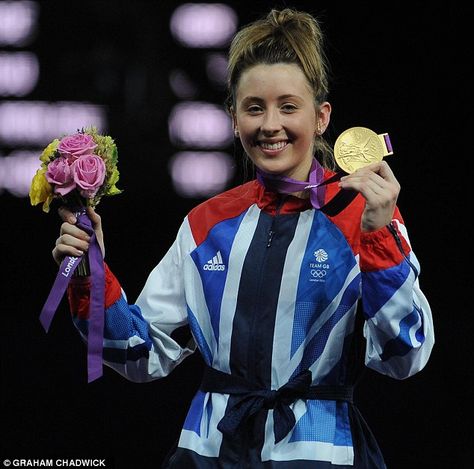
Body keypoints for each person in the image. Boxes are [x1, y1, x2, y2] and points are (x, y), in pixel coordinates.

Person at [52, 8, 434, 468]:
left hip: (321, 456)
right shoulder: (207, 222)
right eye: (254, 108)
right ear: (234, 118)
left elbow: (406, 355)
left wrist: (376, 236)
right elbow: (139, 354)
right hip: (210, 454)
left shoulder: (365, 215)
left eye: (288, 106)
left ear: (321, 117)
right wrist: (86, 273)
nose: (270, 125)